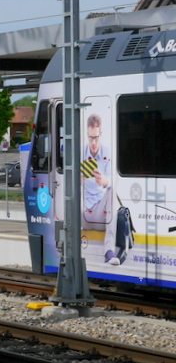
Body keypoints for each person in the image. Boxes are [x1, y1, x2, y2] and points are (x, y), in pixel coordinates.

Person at [82, 113, 118, 266]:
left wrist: (105, 181)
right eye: (90, 138)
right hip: (83, 212)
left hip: (101, 213)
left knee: (112, 188)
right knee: (69, 188)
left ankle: (109, 252)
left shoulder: (107, 153)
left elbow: (113, 180)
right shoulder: (80, 153)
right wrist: (77, 181)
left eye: (96, 137)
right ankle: (67, 250)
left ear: (101, 134)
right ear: (87, 135)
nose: (93, 142)